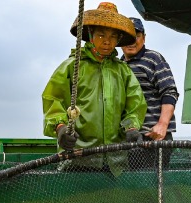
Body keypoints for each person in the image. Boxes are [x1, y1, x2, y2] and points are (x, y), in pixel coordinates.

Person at [42, 2, 147, 172]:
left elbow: (135, 105)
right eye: (101, 35)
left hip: (115, 160)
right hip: (77, 157)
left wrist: (132, 127)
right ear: (90, 34)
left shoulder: (123, 71)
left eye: (113, 36)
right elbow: (53, 100)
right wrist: (60, 129)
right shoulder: (72, 66)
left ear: (119, 39)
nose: (107, 41)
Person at [121, 17, 179, 169]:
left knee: (154, 186)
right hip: (131, 137)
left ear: (144, 38)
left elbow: (170, 92)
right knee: (135, 186)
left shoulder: (153, 58)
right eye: (128, 37)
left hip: (154, 136)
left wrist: (162, 125)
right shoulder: (117, 66)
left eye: (137, 36)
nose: (132, 41)